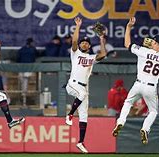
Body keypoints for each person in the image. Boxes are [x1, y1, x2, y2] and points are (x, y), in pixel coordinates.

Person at [112, 17, 159, 145]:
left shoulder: (143, 51)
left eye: (153, 41)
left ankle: (121, 122)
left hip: (138, 84)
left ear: (155, 43)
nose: (151, 42)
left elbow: (127, 44)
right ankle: (145, 129)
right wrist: (155, 50)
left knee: (128, 103)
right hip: (151, 87)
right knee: (153, 111)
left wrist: (128, 27)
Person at [64, 17, 107, 153]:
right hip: (72, 85)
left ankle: (81, 142)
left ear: (89, 46)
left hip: (84, 87)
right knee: (82, 94)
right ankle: (70, 114)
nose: (83, 44)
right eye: (82, 42)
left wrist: (101, 39)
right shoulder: (75, 54)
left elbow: (103, 55)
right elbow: (74, 41)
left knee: (84, 115)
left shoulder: (91, 58)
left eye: (86, 43)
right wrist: (78, 26)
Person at [17, 38, 38, 106]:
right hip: (27, 70)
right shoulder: (31, 49)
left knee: (24, 84)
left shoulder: (22, 49)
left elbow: (18, 59)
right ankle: (24, 100)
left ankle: (24, 100)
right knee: (24, 84)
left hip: (25, 70)